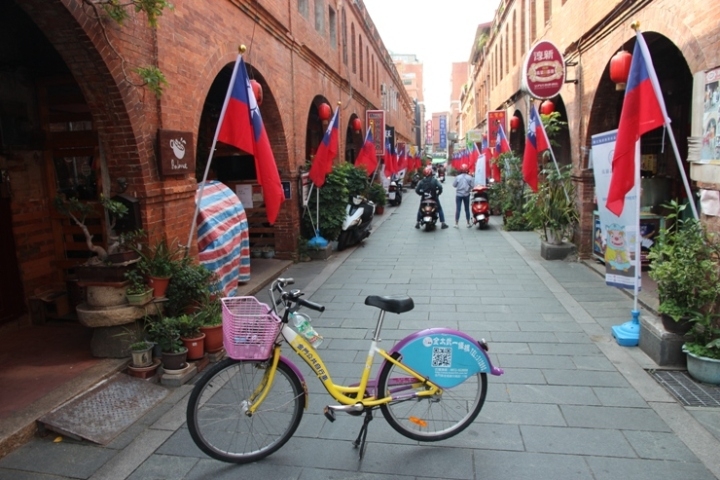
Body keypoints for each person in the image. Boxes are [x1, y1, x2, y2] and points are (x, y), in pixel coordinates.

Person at [453, 163, 474, 228]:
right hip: (466, 195)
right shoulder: (470, 177)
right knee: (467, 209)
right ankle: (468, 223)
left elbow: (454, 185)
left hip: (458, 195)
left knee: (458, 209)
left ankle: (456, 223)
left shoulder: (457, 177)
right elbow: (473, 186)